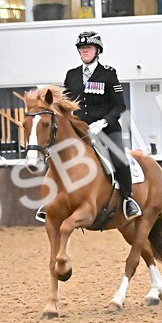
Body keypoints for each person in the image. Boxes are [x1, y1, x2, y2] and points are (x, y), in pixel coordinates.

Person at [56, 30, 140, 221]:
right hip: (79, 131)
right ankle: (52, 201)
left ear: (97, 51)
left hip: (106, 130)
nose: (85, 51)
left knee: (120, 160)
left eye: (88, 48)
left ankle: (128, 199)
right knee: (56, 155)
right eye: (82, 48)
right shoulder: (71, 75)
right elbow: (65, 104)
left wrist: (103, 122)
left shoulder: (108, 74)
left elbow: (120, 105)